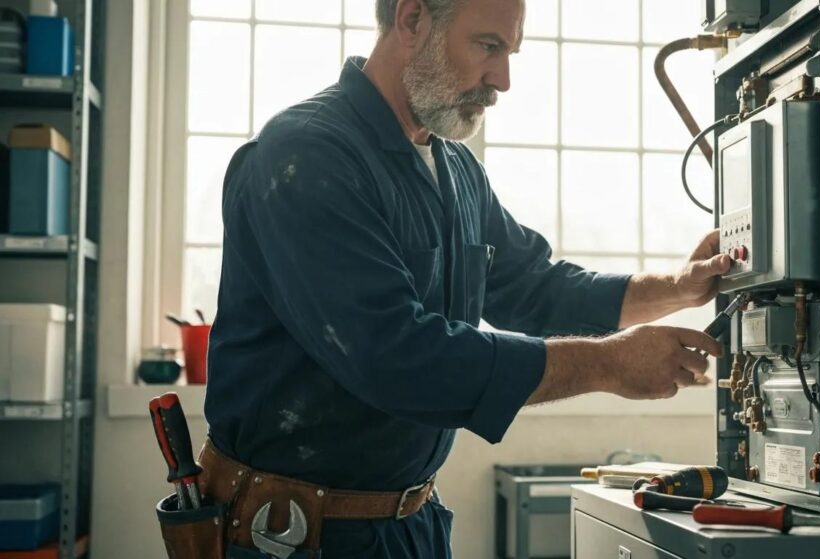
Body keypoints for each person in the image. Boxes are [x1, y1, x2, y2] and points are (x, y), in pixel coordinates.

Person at [201, 0, 733, 556]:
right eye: (488, 46)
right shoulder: (306, 156)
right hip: (292, 535)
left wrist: (677, 289)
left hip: (408, 524)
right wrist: (608, 363)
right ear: (411, 20)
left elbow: (535, 287)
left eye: (510, 51)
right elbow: (399, 358)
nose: (502, 79)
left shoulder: (455, 169)